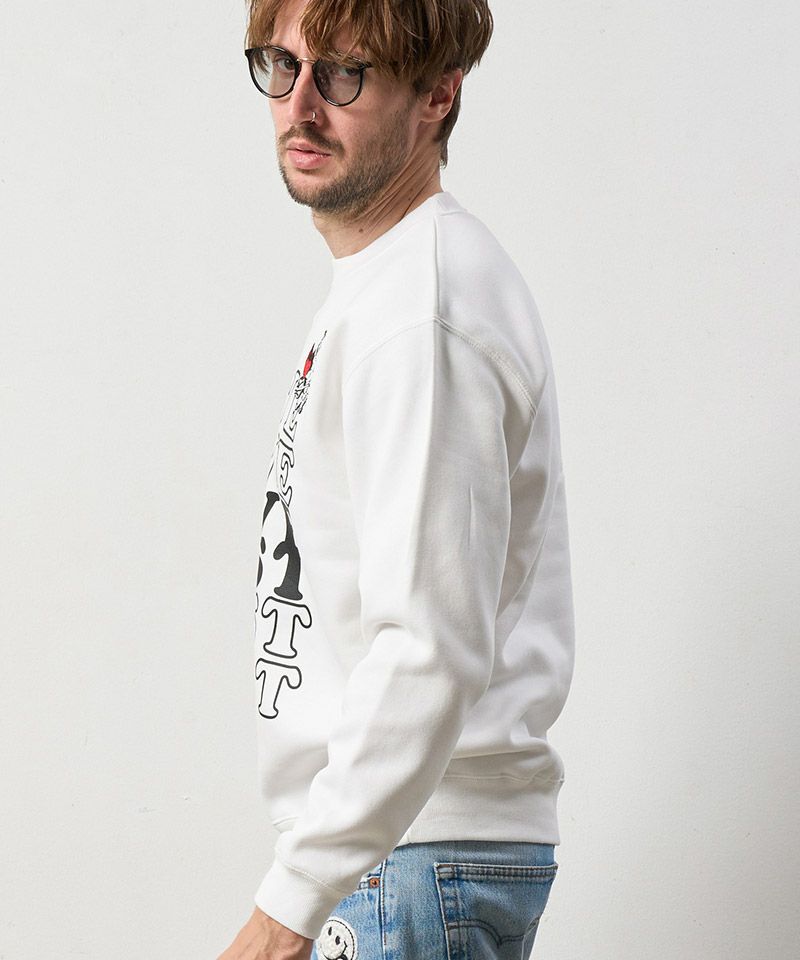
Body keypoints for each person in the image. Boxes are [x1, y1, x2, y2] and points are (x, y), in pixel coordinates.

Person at [218, 1, 576, 958]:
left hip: (409, 861)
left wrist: (284, 911)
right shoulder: (391, 286)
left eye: (344, 73)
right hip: (402, 855)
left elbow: (429, 646)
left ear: (437, 95)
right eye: (281, 64)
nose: (300, 106)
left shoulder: (421, 312)